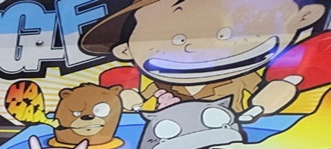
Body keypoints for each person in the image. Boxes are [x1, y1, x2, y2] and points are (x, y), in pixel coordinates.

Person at [79, 0, 329, 120]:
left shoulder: (247, 80)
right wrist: (130, 102)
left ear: (303, 18)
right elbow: (136, 102)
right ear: (126, 50)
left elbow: (269, 95)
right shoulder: (157, 85)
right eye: (176, 39)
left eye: (226, 34)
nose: (195, 48)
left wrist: (266, 103)